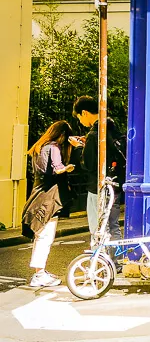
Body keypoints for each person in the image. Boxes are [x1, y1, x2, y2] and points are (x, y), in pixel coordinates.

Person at [21, 121, 79, 287]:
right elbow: (57, 168)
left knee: (41, 235)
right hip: (49, 198)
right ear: (62, 135)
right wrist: (66, 167)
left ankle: (40, 272)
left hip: (38, 194)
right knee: (46, 236)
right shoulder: (53, 147)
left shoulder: (39, 147)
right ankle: (39, 274)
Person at [72, 96, 125, 245]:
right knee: (113, 226)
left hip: (98, 187)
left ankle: (99, 263)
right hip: (115, 185)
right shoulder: (112, 129)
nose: (80, 122)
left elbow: (88, 164)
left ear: (84, 113)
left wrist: (78, 147)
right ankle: (115, 263)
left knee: (97, 227)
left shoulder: (94, 134)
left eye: (79, 118)